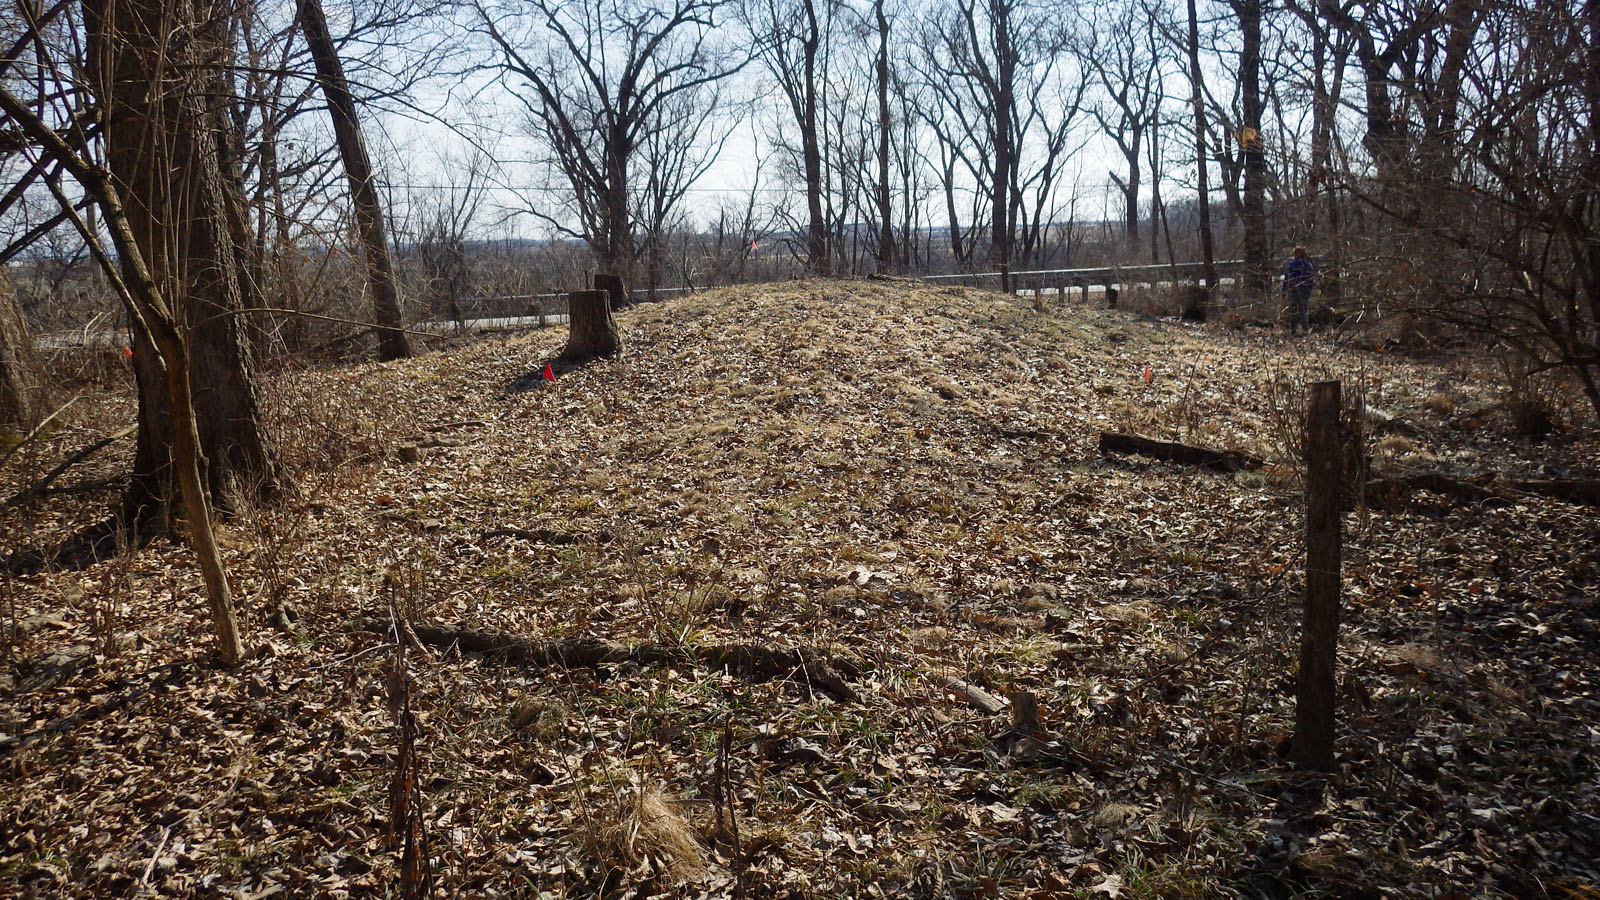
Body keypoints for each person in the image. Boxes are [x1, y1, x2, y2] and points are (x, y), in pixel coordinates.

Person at [1282, 246, 1315, 333]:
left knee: (1295, 308)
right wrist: (1310, 289)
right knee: (1302, 309)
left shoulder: (1292, 264)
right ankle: (1304, 328)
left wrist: (1284, 291)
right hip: (1302, 289)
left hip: (1296, 289)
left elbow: (1287, 278)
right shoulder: (1307, 265)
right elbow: (1311, 279)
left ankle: (1295, 328)